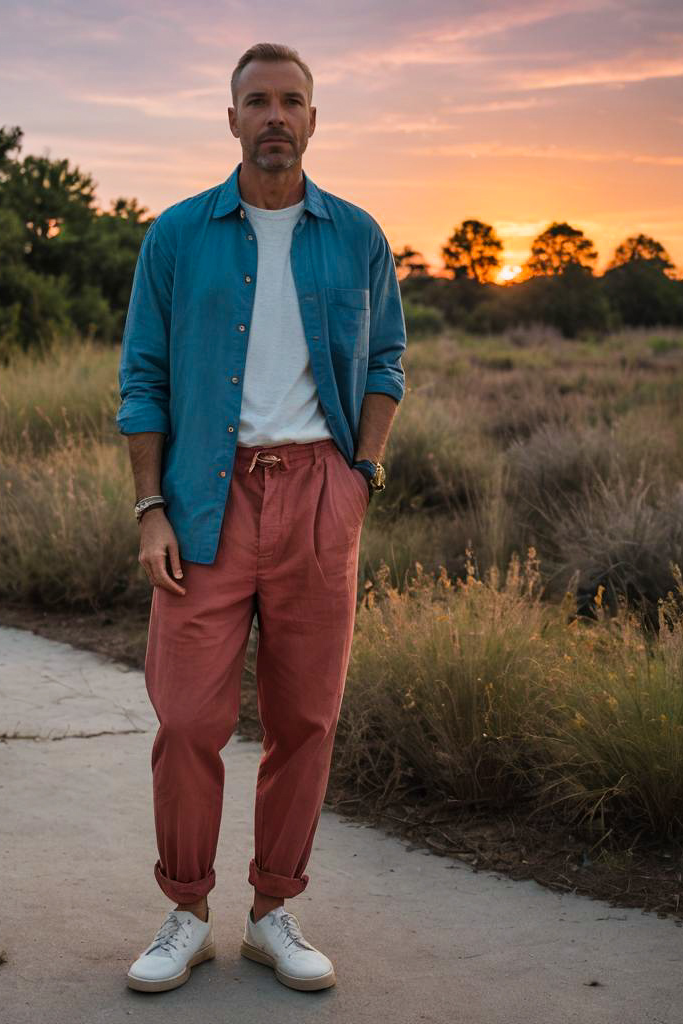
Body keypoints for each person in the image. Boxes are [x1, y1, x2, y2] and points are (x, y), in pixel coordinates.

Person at [118, 41, 406, 993]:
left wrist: (360, 474)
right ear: (232, 118)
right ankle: (186, 912)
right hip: (205, 499)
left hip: (320, 493)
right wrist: (151, 507)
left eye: (291, 101)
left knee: (306, 719)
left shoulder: (358, 236)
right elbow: (143, 378)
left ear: (313, 119)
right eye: (257, 102)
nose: (275, 116)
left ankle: (274, 912)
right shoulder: (176, 236)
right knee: (186, 719)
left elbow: (387, 362)